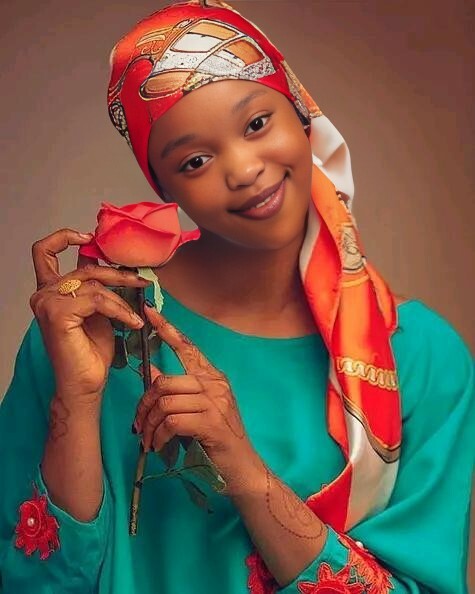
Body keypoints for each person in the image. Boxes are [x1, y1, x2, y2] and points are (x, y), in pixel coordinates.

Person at [0, 1, 473, 593]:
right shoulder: (94, 325)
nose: (245, 169)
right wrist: (77, 399)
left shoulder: (421, 357)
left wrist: (244, 470)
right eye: (196, 160)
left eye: (256, 124)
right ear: (163, 185)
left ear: (300, 111)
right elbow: (28, 579)